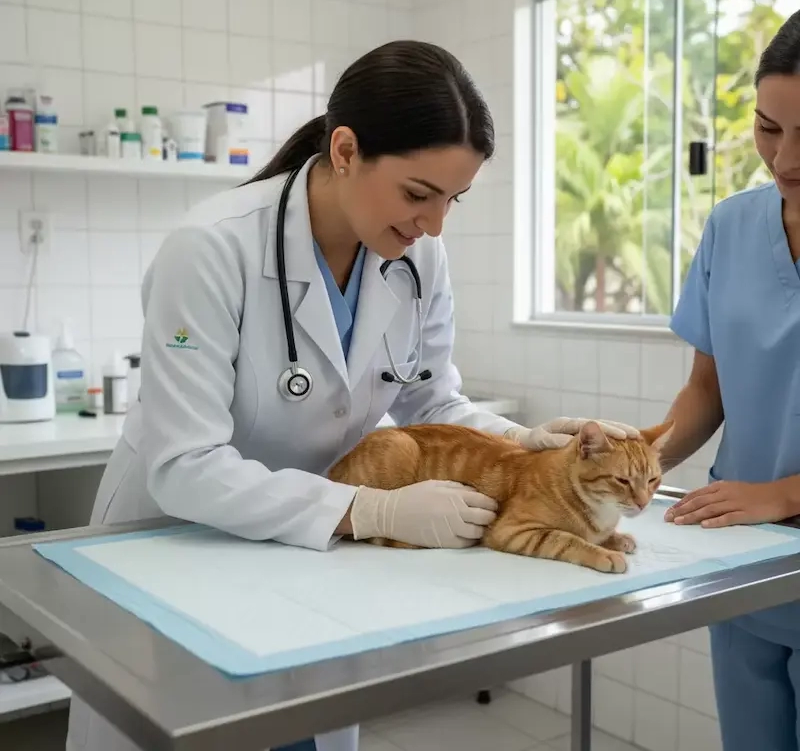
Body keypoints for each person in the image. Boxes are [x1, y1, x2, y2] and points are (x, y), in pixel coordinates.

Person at [65, 40, 637, 751]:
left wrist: (520, 441)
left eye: (452, 200)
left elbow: (431, 403)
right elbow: (184, 464)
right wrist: (368, 508)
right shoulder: (211, 248)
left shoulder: (418, 257)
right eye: (418, 194)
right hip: (177, 540)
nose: (434, 224)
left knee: (303, 727)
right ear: (344, 150)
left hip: (311, 544)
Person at [658, 11, 800, 751]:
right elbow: (708, 389)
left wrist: (782, 494)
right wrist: (638, 463)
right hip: (743, 562)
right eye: (768, 127)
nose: (784, 160)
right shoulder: (731, 228)